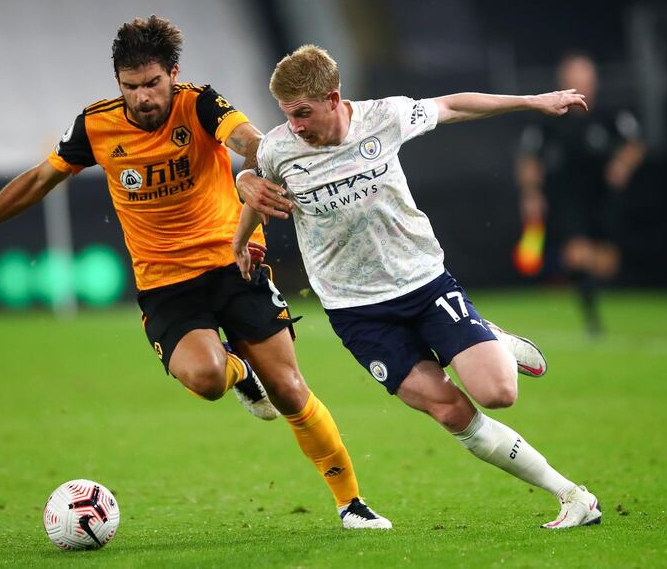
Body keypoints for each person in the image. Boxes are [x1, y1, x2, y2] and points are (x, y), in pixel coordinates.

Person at [0, 16, 390, 529]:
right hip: (165, 285)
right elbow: (41, 178)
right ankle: (238, 371)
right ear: (118, 84)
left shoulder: (199, 103)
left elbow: (248, 139)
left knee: (288, 389)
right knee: (207, 378)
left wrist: (258, 169)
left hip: (233, 263)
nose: (143, 97)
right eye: (131, 86)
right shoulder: (96, 125)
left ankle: (351, 503)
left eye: (152, 83)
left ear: (173, 74)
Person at [233, 44, 601, 529]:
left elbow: (452, 105)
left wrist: (533, 100)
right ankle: (572, 496)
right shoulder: (280, 148)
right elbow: (258, 191)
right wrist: (240, 241)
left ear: (333, 98)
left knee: (498, 393)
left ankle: (486, 335)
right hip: (355, 311)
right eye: (287, 115)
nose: (295, 126)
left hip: (423, 283)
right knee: (451, 414)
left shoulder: (384, 118)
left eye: (303, 113)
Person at [516, 52, 645, 336]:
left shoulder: (612, 115)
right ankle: (593, 321)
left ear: (594, 81)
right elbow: (529, 159)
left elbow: (635, 143)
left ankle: (599, 300)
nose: (579, 83)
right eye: (572, 77)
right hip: (566, 197)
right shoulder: (548, 119)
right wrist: (531, 194)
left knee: (607, 262)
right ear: (563, 83)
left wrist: (622, 164)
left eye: (583, 76)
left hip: (604, 196)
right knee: (576, 255)